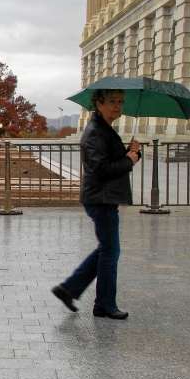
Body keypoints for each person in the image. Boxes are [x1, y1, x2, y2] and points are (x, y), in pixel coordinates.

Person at [51, 89, 140, 320]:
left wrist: (132, 153)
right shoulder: (96, 132)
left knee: (106, 249)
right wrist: (128, 159)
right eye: (112, 101)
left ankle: (68, 289)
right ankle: (105, 305)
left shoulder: (104, 129)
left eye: (120, 101)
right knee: (110, 251)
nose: (118, 106)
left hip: (104, 197)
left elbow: (111, 161)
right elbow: (101, 169)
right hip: (101, 198)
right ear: (98, 104)